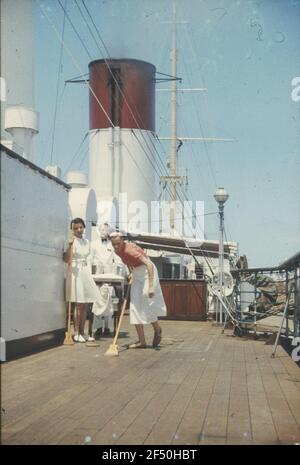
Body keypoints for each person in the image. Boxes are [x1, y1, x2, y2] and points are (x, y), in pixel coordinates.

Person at [109, 232, 166, 349]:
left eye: (118, 244)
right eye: (113, 244)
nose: (116, 247)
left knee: (147, 302)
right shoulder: (117, 251)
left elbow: (149, 264)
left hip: (147, 272)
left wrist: (150, 286)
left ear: (123, 242)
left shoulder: (130, 250)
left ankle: (157, 329)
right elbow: (128, 262)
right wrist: (131, 273)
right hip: (137, 273)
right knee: (134, 306)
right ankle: (142, 341)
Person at [63, 218, 99, 343]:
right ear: (72, 230)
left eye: (81, 227)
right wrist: (69, 246)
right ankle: (76, 332)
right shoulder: (71, 241)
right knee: (78, 303)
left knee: (85, 304)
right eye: (75, 228)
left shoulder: (87, 242)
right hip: (74, 272)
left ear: (84, 228)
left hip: (84, 271)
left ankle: (83, 332)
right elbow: (66, 259)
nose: (79, 230)